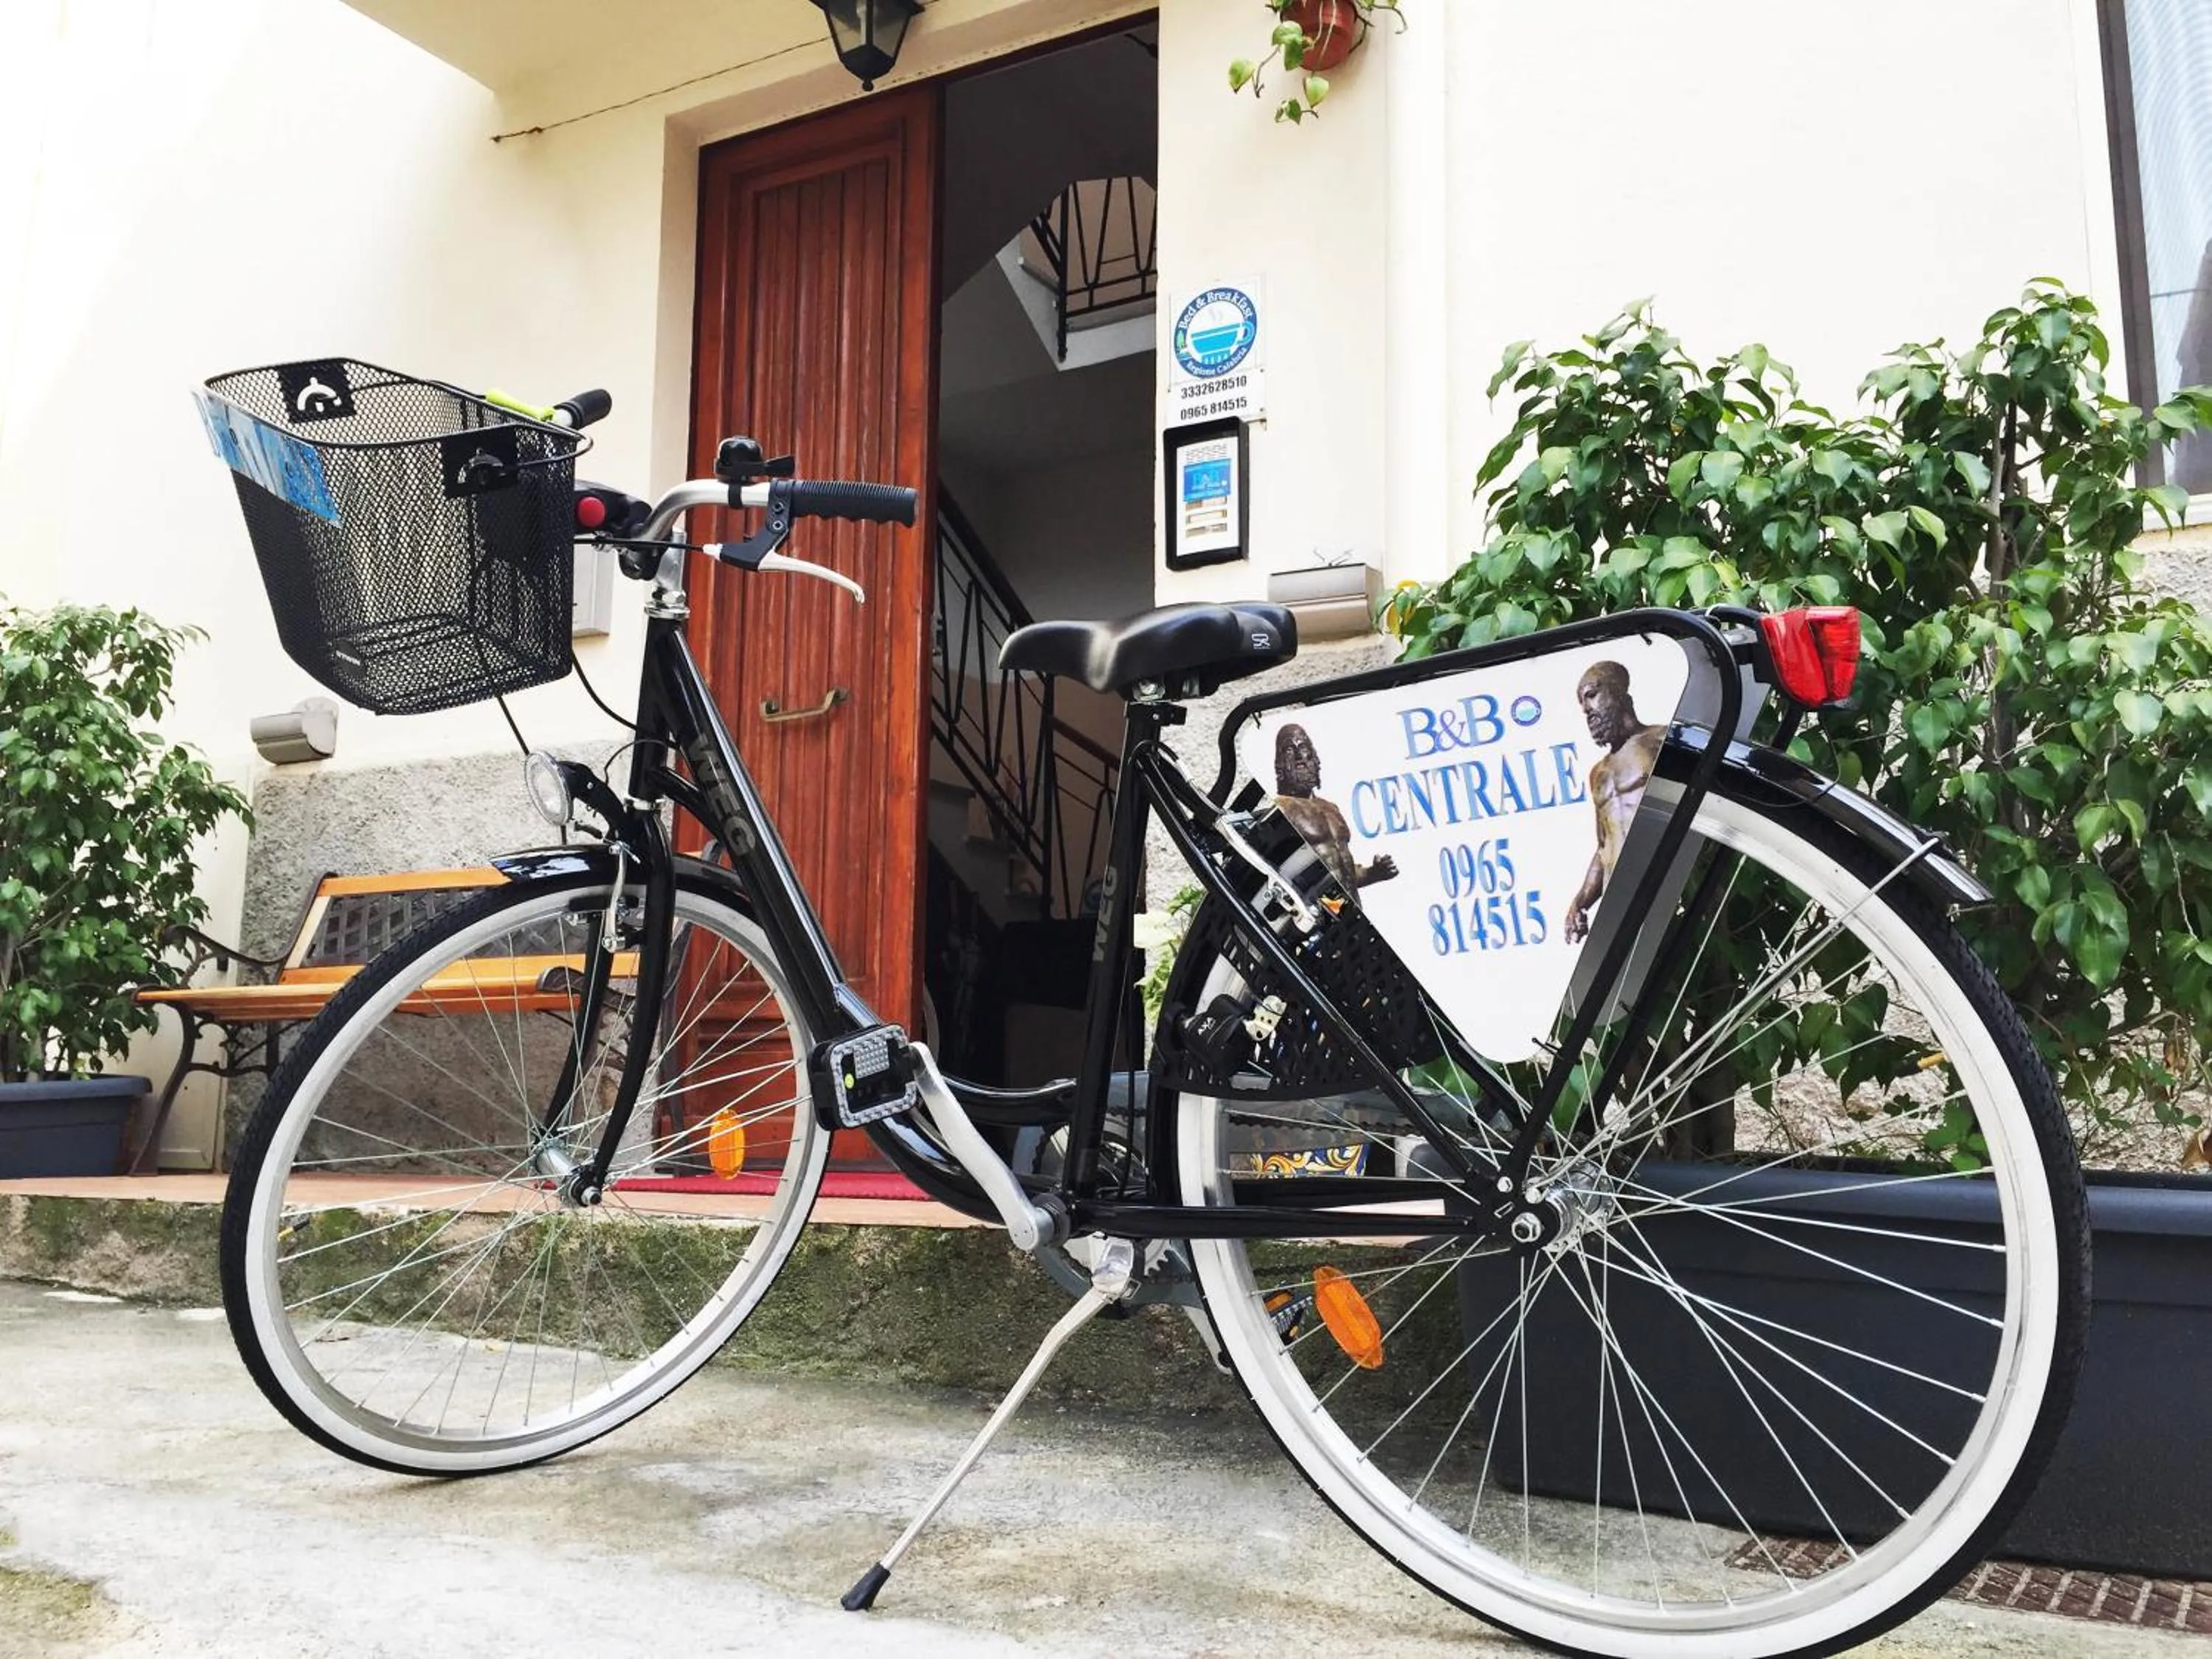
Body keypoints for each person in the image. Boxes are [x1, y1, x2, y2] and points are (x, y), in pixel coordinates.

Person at [1562, 661, 1664, 944]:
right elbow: (1605, 847)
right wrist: (1580, 901)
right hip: (1619, 904)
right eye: (1582, 703)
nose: (1586, 710)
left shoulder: (1661, 740)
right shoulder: (1599, 774)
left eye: (1592, 695)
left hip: (1663, 885)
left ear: (1619, 693)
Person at [1273, 723, 1397, 905]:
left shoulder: (1330, 808)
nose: (1300, 757)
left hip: (1352, 912)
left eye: (1305, 749)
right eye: (1290, 751)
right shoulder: (1280, 808)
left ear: (1315, 760)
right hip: (1317, 918)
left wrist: (1373, 873)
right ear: (1280, 765)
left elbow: (1341, 870)